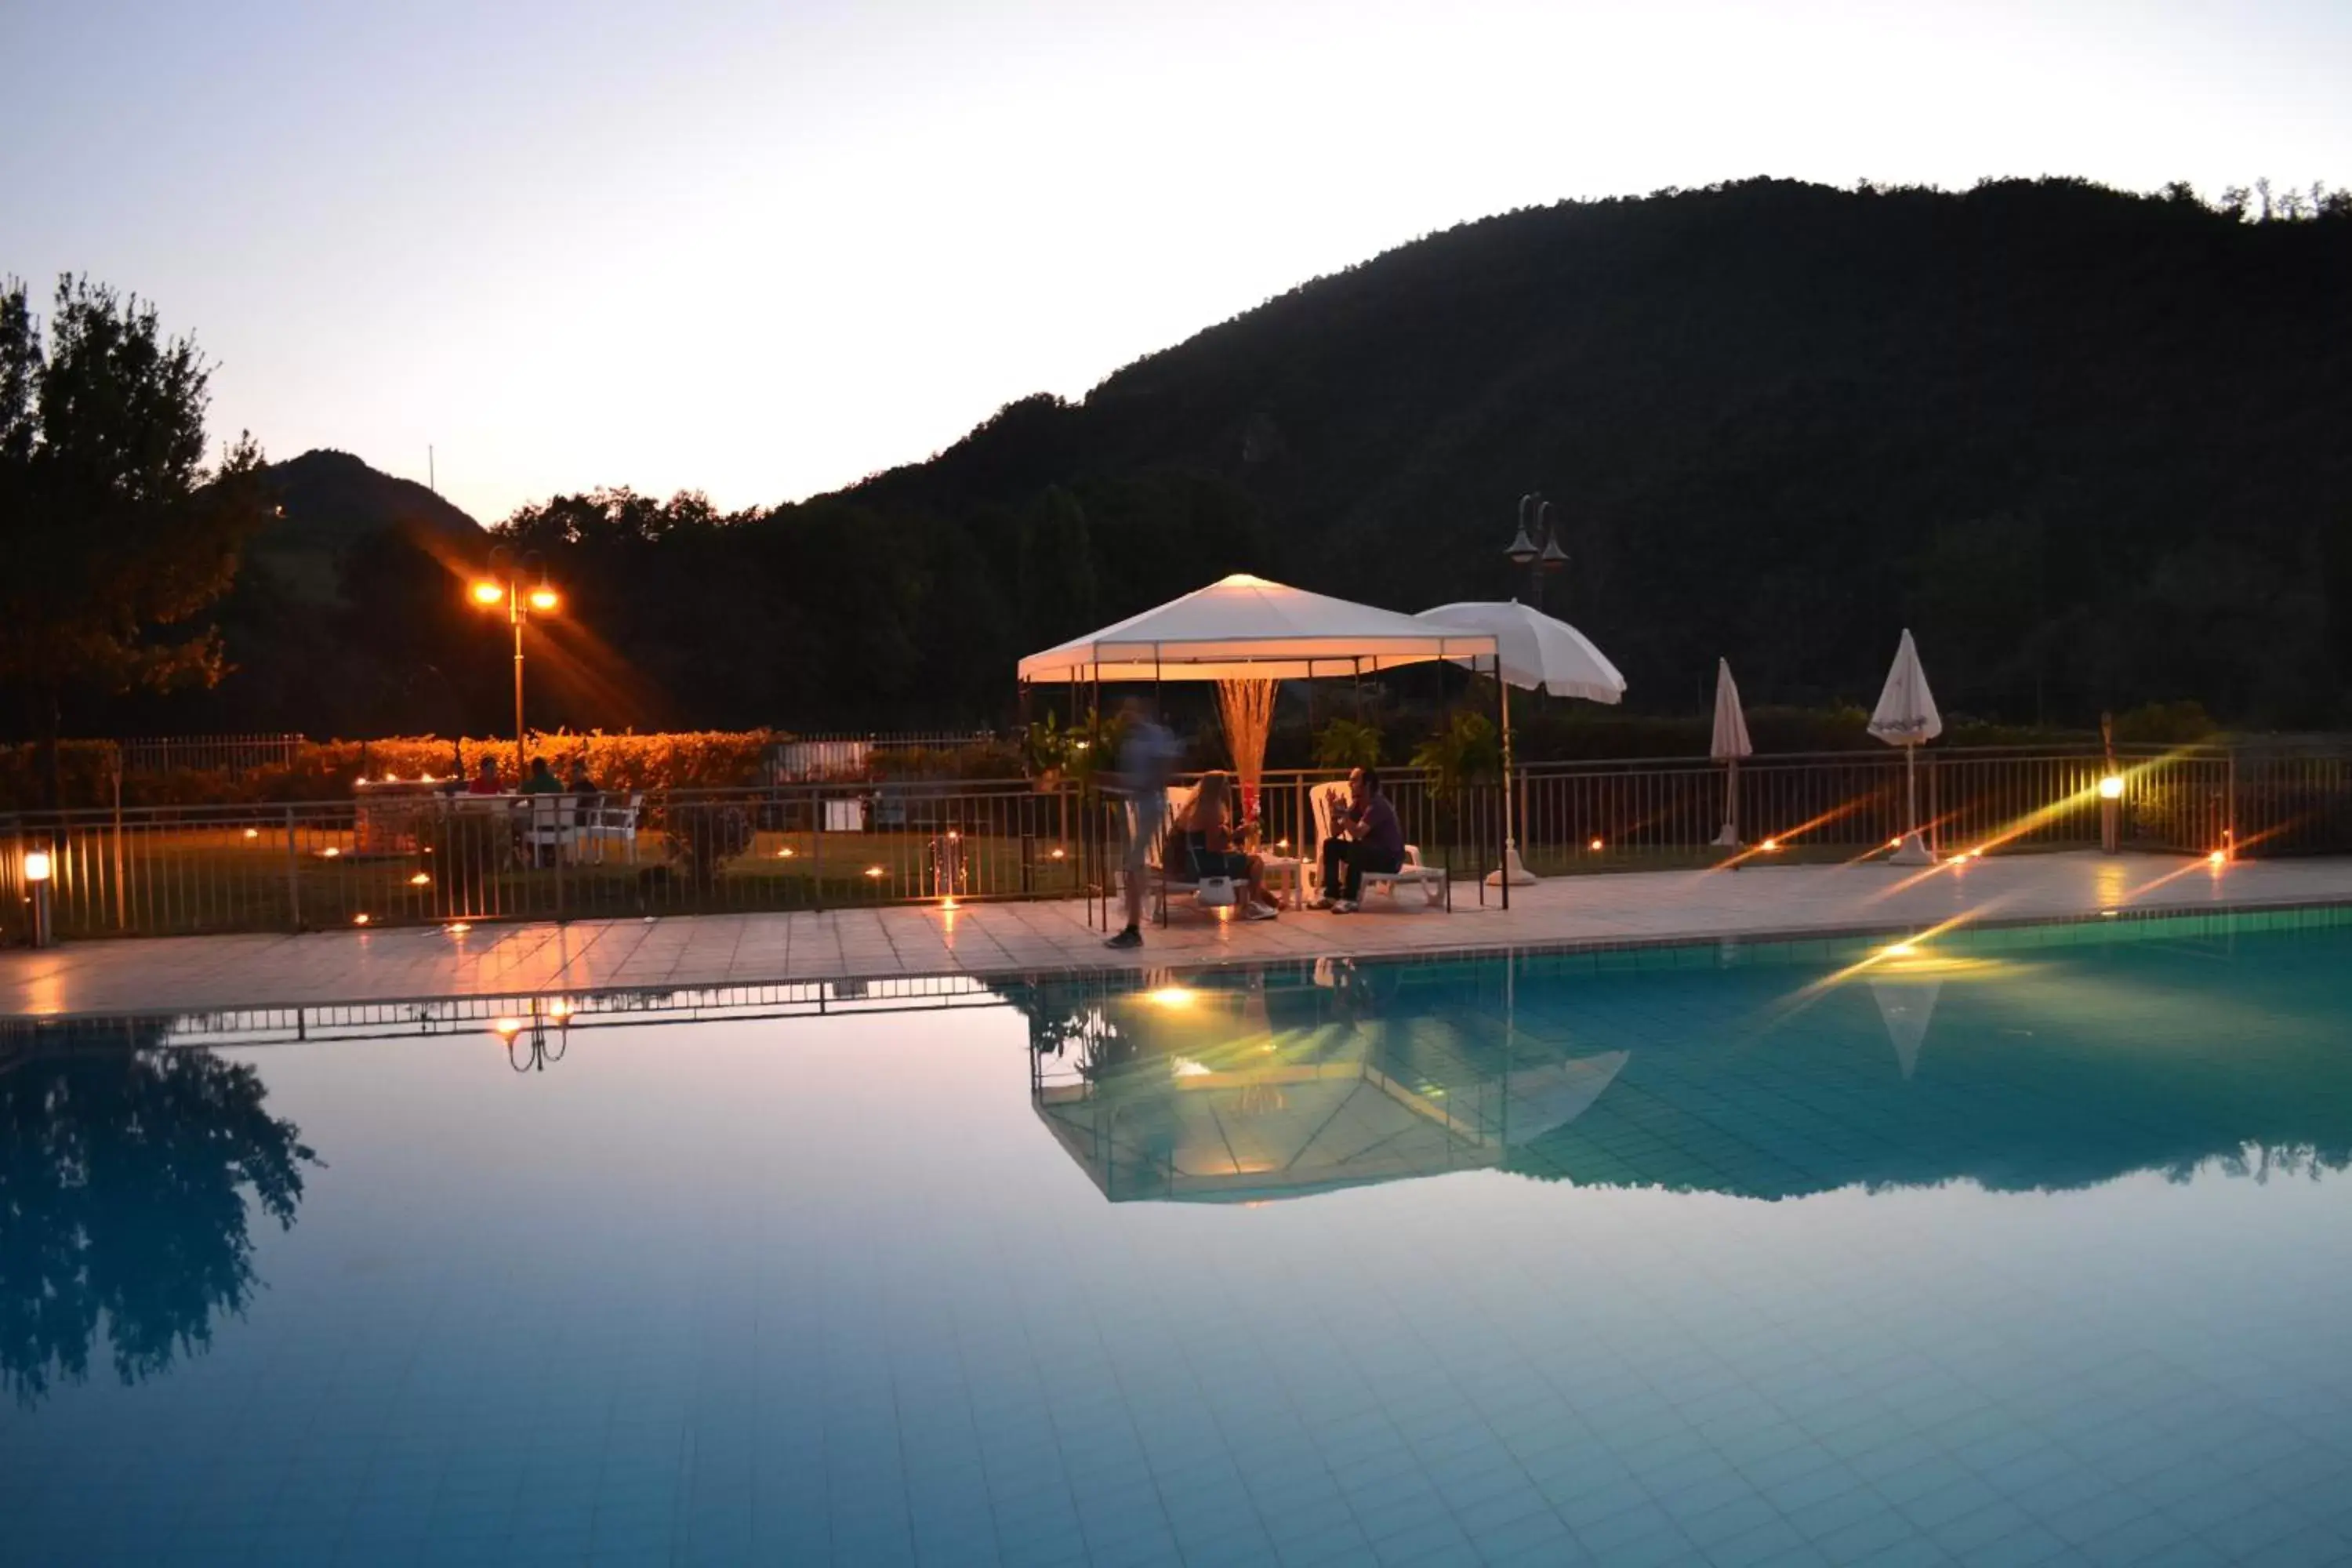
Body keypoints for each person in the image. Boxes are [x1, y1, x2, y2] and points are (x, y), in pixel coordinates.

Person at [1104, 699, 1178, 950]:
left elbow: (1158, 773)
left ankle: (1134, 927)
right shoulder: (1131, 740)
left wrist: (1122, 781)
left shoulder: (1155, 737)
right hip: (1133, 805)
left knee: (1134, 864)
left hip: (1147, 806)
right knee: (1131, 865)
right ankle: (1133, 919)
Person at [1179, 772, 1279, 920]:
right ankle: (1255, 903)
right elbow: (1213, 846)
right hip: (1204, 865)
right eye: (1226, 784)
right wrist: (1237, 835)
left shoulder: (1199, 807)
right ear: (1217, 788)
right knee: (1256, 862)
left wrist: (1231, 838)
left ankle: (1266, 901)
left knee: (1245, 860)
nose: (1229, 788)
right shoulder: (1211, 811)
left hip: (1194, 861)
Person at [1312, 766, 1404, 913]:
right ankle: (1332, 895)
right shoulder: (1357, 805)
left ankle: (1350, 899)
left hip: (1390, 859)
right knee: (1331, 844)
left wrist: (1343, 814)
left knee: (1358, 848)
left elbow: (1358, 833)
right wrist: (1335, 813)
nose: (1350, 784)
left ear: (1367, 784)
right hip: (1369, 853)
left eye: (1354, 781)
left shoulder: (1377, 805)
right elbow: (1335, 832)